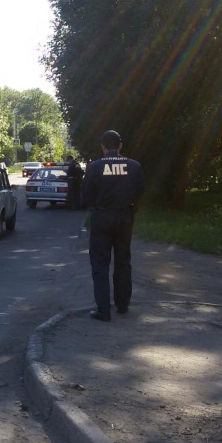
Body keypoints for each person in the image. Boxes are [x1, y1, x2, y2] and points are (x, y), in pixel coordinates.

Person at [81, 130, 145, 322]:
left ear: (103, 147)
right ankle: (122, 304)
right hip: (124, 217)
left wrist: (95, 206)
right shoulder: (134, 166)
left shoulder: (94, 167)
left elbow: (86, 196)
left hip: (101, 217)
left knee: (100, 263)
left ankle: (103, 310)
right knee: (123, 261)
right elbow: (140, 192)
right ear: (120, 145)